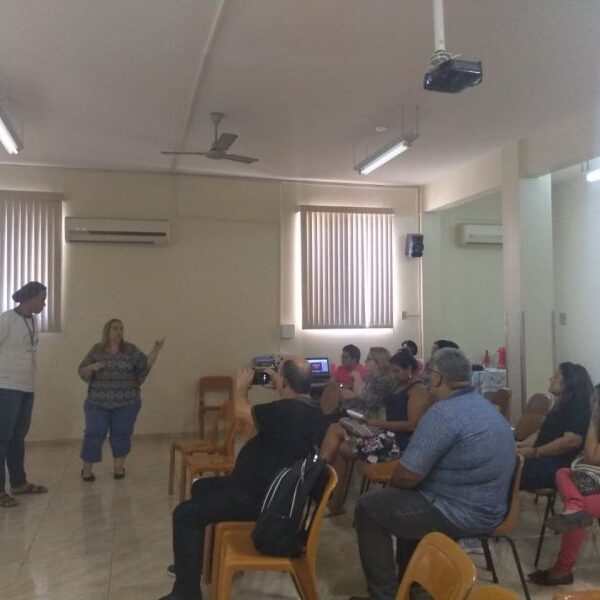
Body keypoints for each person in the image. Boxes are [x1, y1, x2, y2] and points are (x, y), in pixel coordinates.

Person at [352, 348, 514, 600]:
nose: (425, 378)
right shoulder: (487, 407)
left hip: (460, 511)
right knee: (401, 503)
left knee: (369, 507)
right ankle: (413, 588)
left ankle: (384, 596)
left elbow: (408, 475)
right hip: (490, 507)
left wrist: (394, 484)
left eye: (429, 373)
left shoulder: (443, 413)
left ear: (438, 378)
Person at [159, 356, 323, 600]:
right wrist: (279, 386)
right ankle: (196, 564)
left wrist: (240, 386)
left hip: (258, 499)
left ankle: (186, 592)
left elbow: (240, 410)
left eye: (277, 373)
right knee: (202, 487)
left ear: (284, 382)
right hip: (265, 490)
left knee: (184, 515)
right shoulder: (310, 409)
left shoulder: (287, 410)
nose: (273, 376)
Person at [528, 385, 600, 586]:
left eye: (594, 402)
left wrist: (593, 420)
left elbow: (592, 456)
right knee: (562, 473)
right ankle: (574, 505)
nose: (591, 405)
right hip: (592, 480)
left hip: (594, 482)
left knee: (581, 511)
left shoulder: (594, 420)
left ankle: (562, 570)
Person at [78, 318, 164, 481]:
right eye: (115, 328)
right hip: (97, 402)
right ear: (107, 331)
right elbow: (82, 371)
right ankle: (87, 471)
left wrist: (155, 350)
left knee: (121, 435)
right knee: (93, 435)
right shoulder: (97, 350)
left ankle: (119, 469)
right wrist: (92, 367)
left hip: (127, 402)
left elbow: (144, 365)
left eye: (121, 329)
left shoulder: (130, 350)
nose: (119, 332)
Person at [0, 282, 48, 508]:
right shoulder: (7, 319)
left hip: (27, 386)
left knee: (18, 436)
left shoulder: (33, 321)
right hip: (6, 386)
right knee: (3, 437)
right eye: (41, 298)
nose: (44, 303)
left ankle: (19, 483)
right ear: (29, 298)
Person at [518, 362, 592, 490]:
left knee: (504, 473)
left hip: (559, 464)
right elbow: (541, 433)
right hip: (545, 459)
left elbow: (571, 441)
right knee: (503, 465)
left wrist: (535, 452)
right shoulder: (562, 404)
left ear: (569, 381)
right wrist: (519, 446)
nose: (551, 379)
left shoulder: (579, 404)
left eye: (556, 376)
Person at [342, 347, 395, 419]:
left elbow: (369, 401)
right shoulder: (372, 378)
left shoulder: (384, 381)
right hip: (355, 412)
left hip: (369, 419)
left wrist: (357, 377)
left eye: (369, 359)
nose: (365, 361)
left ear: (379, 363)